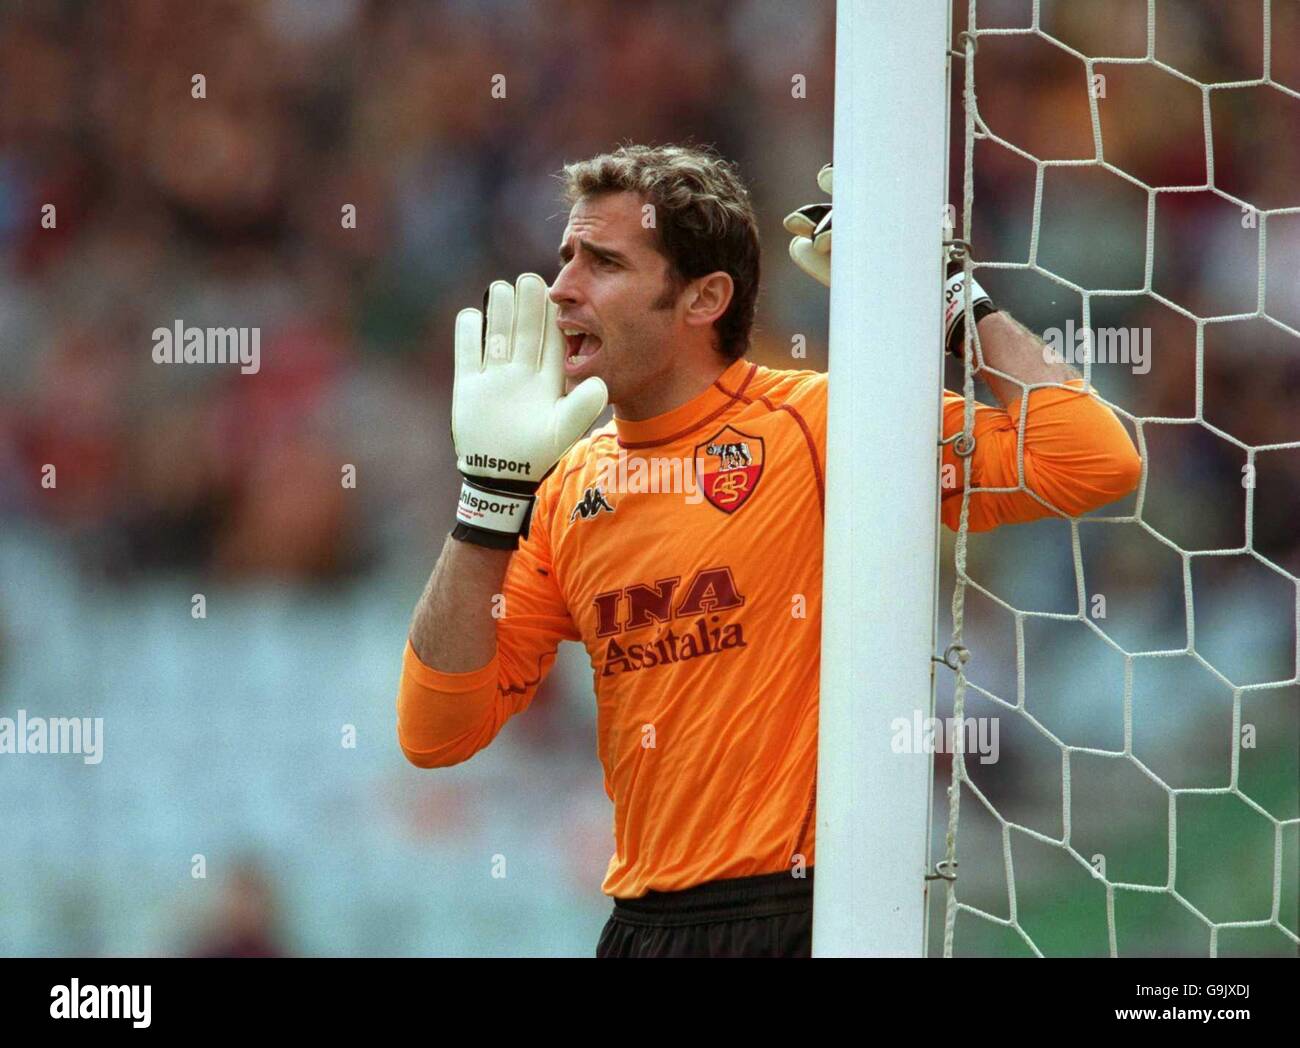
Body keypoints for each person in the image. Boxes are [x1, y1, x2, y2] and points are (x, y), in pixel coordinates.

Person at [394, 143, 1141, 958]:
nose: (563, 288)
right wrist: (488, 500)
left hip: (811, 913)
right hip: (644, 926)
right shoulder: (569, 488)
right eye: (566, 256)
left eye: (603, 262)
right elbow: (436, 732)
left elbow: (1093, 459)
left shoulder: (823, 426)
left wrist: (955, 297)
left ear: (704, 297)